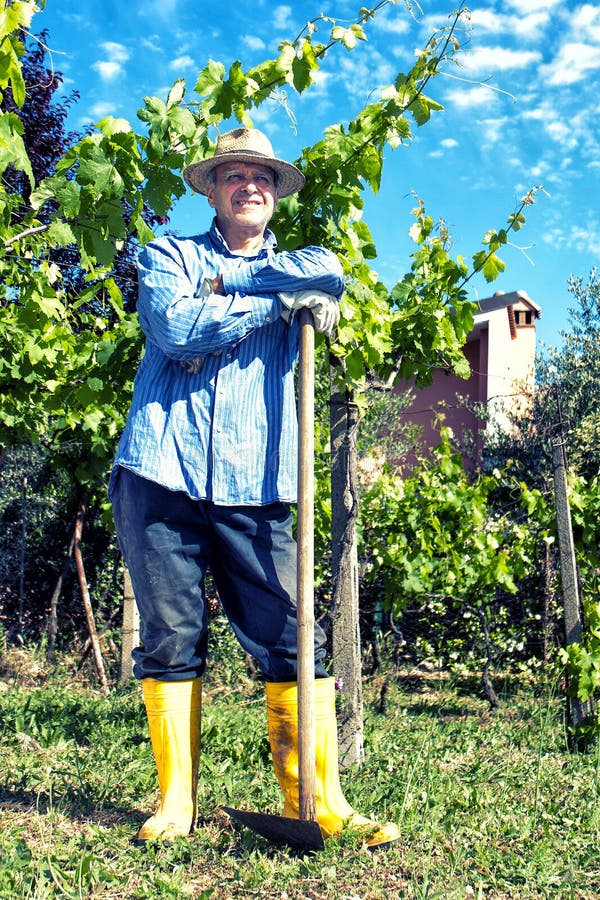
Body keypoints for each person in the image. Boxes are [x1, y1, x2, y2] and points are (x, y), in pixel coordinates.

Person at [110, 127, 400, 849]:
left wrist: (237, 285)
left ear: (275, 192)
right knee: (172, 635)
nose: (249, 186)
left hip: (257, 475)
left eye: (261, 176)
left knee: (291, 632)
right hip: (160, 468)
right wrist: (275, 304)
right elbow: (175, 327)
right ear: (211, 189)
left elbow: (329, 272)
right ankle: (175, 802)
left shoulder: (306, 262)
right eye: (233, 175)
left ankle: (319, 799)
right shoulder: (169, 254)